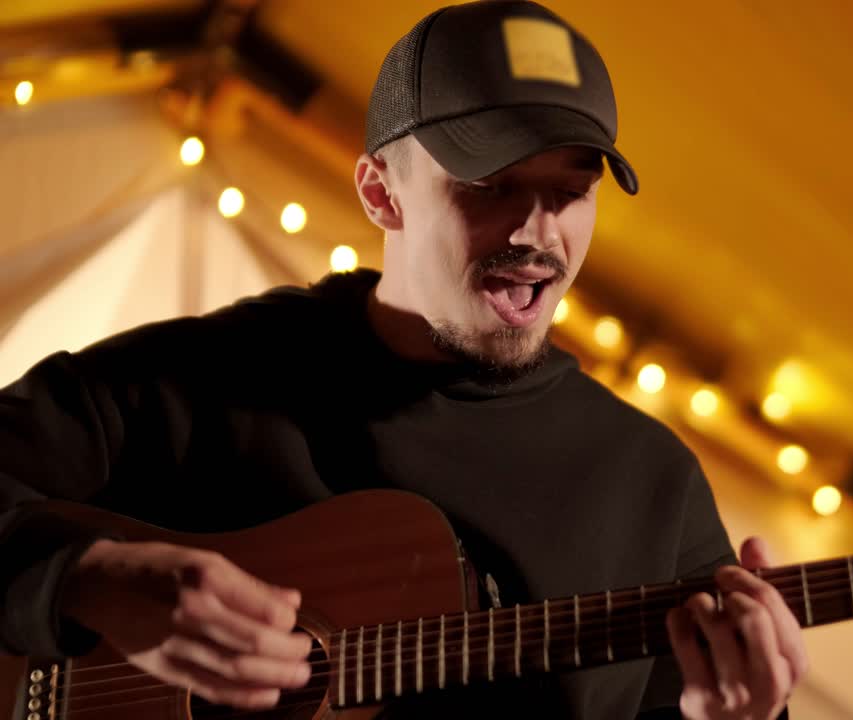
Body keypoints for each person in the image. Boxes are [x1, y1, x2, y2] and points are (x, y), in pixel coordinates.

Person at [0, 1, 807, 718]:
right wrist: (86, 579)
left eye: (570, 190)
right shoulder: (199, 378)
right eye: (490, 186)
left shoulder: (653, 488)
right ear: (381, 192)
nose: (537, 234)